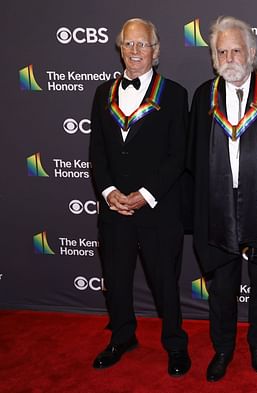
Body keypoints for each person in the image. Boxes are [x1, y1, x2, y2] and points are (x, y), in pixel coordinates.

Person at [187, 16, 257, 382]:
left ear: (252, 53)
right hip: (217, 205)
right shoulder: (203, 96)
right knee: (222, 288)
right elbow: (191, 161)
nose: (230, 57)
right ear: (214, 57)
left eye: (236, 50)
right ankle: (223, 349)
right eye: (222, 51)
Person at [89, 18, 190, 376]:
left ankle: (176, 344)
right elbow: (97, 151)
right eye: (128, 45)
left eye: (141, 44)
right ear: (120, 49)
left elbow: (178, 154)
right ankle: (122, 337)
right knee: (115, 279)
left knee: (165, 280)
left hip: (158, 209)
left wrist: (146, 195)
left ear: (155, 51)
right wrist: (109, 192)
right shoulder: (103, 93)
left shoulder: (175, 94)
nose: (134, 51)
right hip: (115, 208)